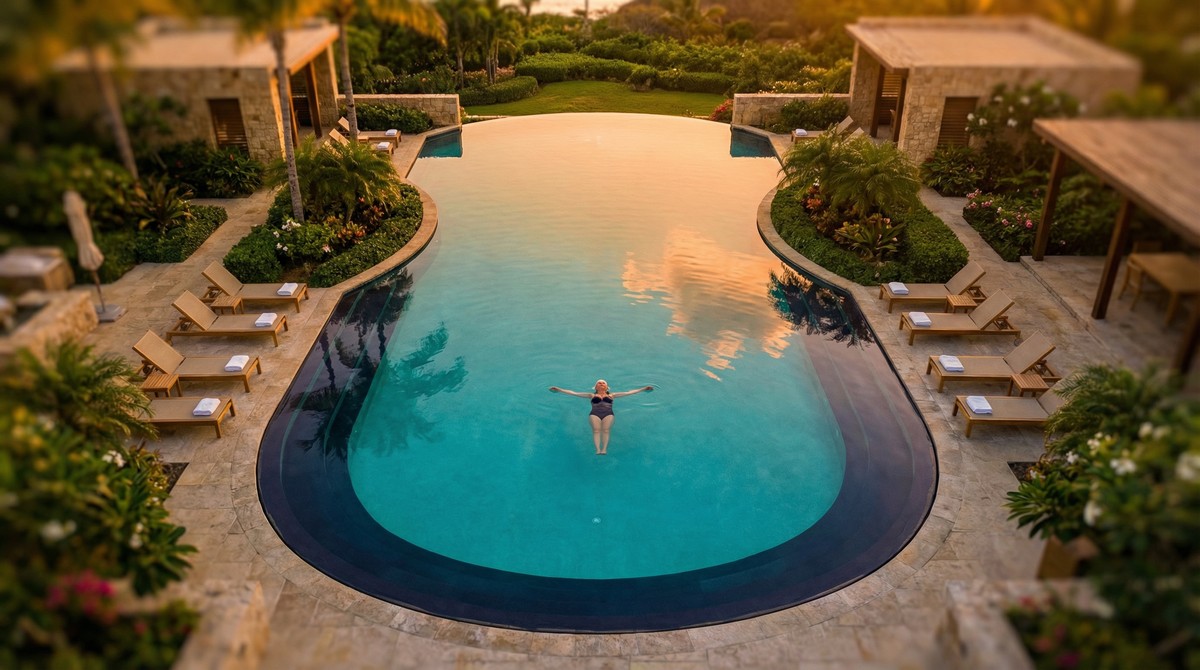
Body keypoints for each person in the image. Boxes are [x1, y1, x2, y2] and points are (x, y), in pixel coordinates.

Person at [549, 379, 654, 455]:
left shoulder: (612, 395)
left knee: (606, 430)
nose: (601, 384)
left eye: (603, 383)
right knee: (596, 431)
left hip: (608, 414)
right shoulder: (591, 395)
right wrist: (559, 390)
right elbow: (574, 393)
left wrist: (643, 389)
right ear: (595, 387)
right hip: (594, 414)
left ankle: (604, 449)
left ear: (607, 387)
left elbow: (629, 392)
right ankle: (597, 449)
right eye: (599, 383)